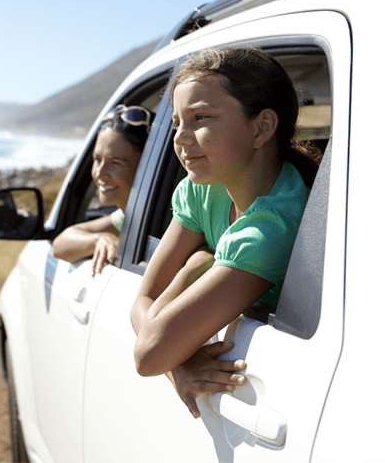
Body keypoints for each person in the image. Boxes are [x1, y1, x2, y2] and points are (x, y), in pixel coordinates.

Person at [130, 47, 320, 417]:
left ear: (262, 127)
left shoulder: (272, 230)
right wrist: (180, 365)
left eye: (200, 117)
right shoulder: (202, 188)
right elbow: (145, 298)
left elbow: (148, 354)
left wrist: (195, 267)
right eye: (176, 123)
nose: (181, 139)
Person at [52, 105, 152, 275]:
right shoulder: (130, 216)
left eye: (115, 163)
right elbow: (60, 245)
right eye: (97, 160)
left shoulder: (161, 217)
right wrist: (99, 238)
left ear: (146, 165)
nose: (100, 173)